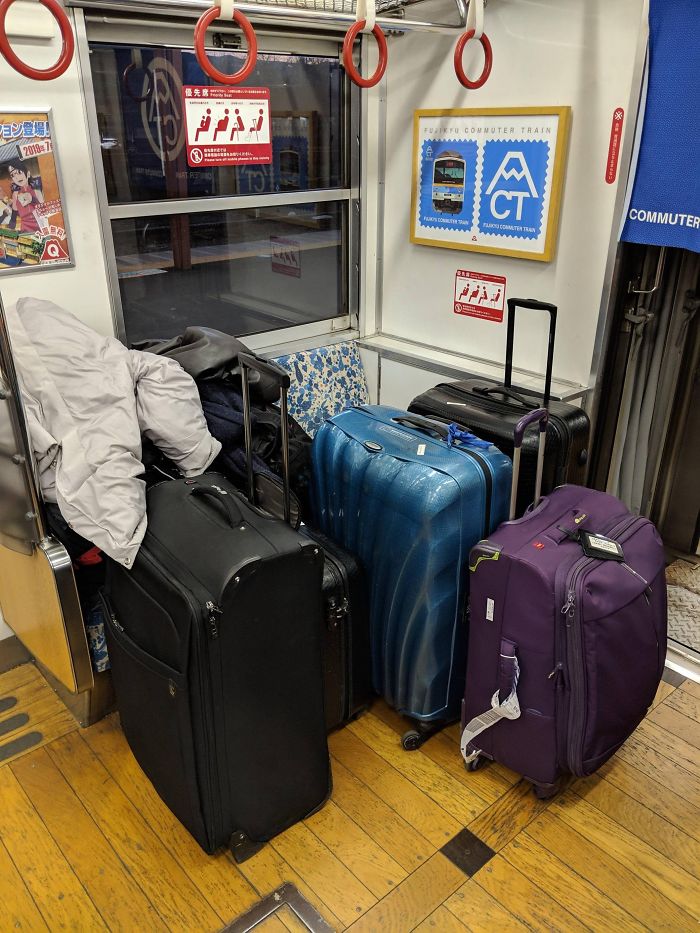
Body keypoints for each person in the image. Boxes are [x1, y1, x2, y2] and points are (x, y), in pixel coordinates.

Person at [6, 162, 44, 234]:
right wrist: (12, 224)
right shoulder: (15, 193)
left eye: (19, 172)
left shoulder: (36, 190)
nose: (17, 177)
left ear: (28, 174)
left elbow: (43, 209)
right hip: (25, 228)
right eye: (12, 175)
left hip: (39, 225)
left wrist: (32, 200)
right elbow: (14, 211)